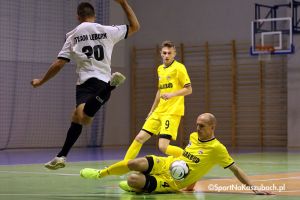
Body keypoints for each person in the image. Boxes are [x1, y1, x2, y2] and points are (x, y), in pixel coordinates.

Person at [31, 0, 140, 170]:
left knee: (84, 119)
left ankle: (111, 87)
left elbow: (59, 64)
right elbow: (135, 26)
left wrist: (41, 81)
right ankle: (61, 156)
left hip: (86, 83)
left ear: (78, 16)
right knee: (78, 116)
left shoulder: (73, 34)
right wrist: (123, 3)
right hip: (101, 82)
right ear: (93, 15)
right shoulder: (107, 30)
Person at [80, 113, 272, 195]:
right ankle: (101, 173)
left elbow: (235, 170)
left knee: (132, 179)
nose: (197, 128)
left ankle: (135, 186)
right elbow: (192, 160)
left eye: (202, 126)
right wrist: (193, 184)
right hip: (168, 164)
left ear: (212, 127)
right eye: (197, 124)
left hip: (173, 181)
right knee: (133, 163)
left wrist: (254, 189)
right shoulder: (193, 136)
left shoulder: (217, 149)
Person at [124, 40, 192, 160]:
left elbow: (189, 89)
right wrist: (152, 110)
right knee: (139, 138)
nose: (166, 56)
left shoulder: (179, 68)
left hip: (172, 112)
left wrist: (172, 94)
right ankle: (124, 166)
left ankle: (190, 158)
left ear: (174, 54)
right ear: (161, 53)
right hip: (159, 111)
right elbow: (160, 91)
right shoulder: (160, 69)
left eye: (169, 53)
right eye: (164, 53)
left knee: (163, 147)